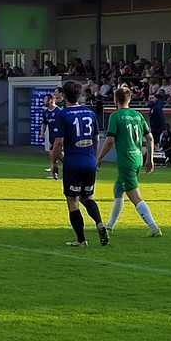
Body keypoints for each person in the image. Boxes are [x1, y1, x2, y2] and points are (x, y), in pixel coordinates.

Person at [50, 80, 108, 247]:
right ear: (79, 95)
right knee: (87, 197)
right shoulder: (89, 113)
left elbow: (59, 142)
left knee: (73, 201)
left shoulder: (62, 114)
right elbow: (96, 138)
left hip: (73, 163)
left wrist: (53, 162)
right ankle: (99, 223)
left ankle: (81, 240)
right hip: (89, 161)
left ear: (64, 96)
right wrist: (94, 157)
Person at [97, 87, 161, 236]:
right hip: (138, 158)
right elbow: (150, 138)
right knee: (118, 189)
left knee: (135, 197)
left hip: (126, 161)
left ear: (115, 100)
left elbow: (110, 141)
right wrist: (149, 159)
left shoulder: (116, 116)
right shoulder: (138, 115)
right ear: (130, 99)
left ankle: (153, 227)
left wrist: (99, 158)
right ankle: (110, 225)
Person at [41, 91, 61, 177]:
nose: (43, 101)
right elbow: (44, 123)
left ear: (51, 100)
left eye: (45, 99)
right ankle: (54, 171)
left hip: (59, 136)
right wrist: (42, 132)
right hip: (52, 136)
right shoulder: (46, 112)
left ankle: (54, 171)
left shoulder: (59, 111)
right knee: (53, 153)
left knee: (54, 153)